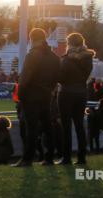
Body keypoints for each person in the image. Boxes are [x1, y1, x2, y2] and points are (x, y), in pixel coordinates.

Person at [12, 28, 60, 167]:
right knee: (47, 127)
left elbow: (25, 78)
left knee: (31, 129)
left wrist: (20, 95)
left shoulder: (32, 55)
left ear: (31, 39)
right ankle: (49, 158)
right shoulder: (54, 57)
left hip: (31, 97)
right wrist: (49, 90)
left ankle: (27, 159)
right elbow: (56, 78)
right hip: (46, 96)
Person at [56, 33, 94, 165]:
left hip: (66, 93)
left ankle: (66, 157)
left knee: (66, 126)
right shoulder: (88, 58)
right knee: (79, 125)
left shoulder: (66, 60)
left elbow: (60, 78)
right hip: (81, 93)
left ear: (70, 44)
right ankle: (81, 157)